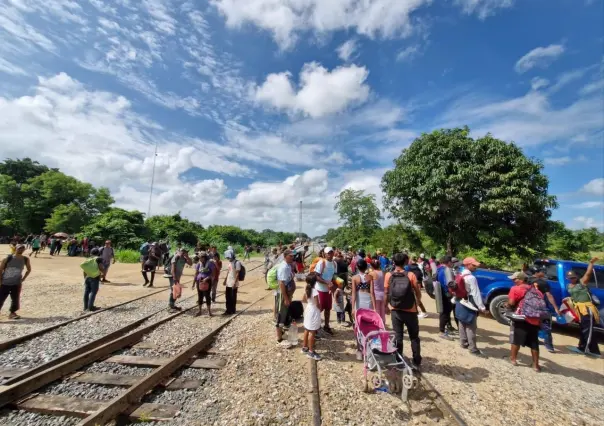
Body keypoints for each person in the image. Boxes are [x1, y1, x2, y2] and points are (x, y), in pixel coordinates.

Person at [384, 253, 422, 369]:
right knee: (414, 337)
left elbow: (386, 292)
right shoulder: (411, 275)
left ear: (393, 262)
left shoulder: (388, 275)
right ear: (405, 262)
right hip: (411, 310)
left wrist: (386, 306)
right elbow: (417, 291)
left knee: (398, 336)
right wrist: (418, 301)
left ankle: (398, 361)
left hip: (396, 310)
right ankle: (416, 362)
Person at [507, 271, 543, 371]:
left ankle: (513, 359)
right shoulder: (537, 291)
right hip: (535, 319)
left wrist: (507, 305)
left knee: (516, 339)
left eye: (515, 279)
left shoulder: (515, 289)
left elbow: (511, 303)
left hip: (521, 318)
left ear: (521, 279)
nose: (513, 281)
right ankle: (535, 365)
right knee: (534, 342)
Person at [567, 257, 600, 356]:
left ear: (577, 277)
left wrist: (591, 263)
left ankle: (585, 349)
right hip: (579, 309)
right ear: (567, 278)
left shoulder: (581, 283)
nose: (572, 279)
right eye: (570, 278)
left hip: (587, 308)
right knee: (584, 328)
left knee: (587, 329)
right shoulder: (569, 286)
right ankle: (593, 350)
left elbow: (588, 274)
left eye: (574, 277)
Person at [455, 257, 487, 357]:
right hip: (469, 304)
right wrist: (482, 307)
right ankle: (473, 348)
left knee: (461, 322)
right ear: (467, 265)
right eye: (474, 265)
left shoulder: (459, 274)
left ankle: (463, 343)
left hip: (460, 302)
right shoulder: (471, 278)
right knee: (471, 327)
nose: (476, 267)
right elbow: (476, 294)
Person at [528, 266, 561, 353]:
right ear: (537, 272)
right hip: (542, 308)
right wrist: (556, 308)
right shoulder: (543, 283)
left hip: (529, 307)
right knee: (546, 327)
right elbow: (549, 296)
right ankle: (549, 346)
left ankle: (533, 341)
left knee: (532, 324)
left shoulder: (527, 280)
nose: (544, 273)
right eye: (542, 271)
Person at [0, 244, 32, 319]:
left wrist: (23, 278)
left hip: (16, 283)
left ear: (24, 250)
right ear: (15, 249)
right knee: (1, 298)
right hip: (5, 283)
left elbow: (29, 269)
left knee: (15, 299)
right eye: (19, 248)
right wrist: (1, 280)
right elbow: (0, 269)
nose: (20, 250)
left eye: (22, 248)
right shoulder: (7, 258)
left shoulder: (25, 259)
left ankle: (12, 313)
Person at [312, 247, 338, 335]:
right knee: (319, 309)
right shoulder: (321, 263)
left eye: (331, 253)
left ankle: (326, 326)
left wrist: (335, 284)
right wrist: (326, 282)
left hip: (328, 290)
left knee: (328, 308)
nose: (330, 255)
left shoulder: (334, 263)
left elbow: (334, 276)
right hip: (320, 289)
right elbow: (316, 276)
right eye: (328, 253)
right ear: (324, 254)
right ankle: (314, 328)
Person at [275, 250, 296, 343]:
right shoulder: (283, 267)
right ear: (285, 256)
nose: (292, 257)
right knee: (280, 314)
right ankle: (279, 338)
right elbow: (281, 283)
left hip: (287, 294)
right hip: (283, 295)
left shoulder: (288, 265)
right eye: (290, 256)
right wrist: (286, 298)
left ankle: (282, 332)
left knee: (284, 313)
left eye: (293, 256)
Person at [437, 256, 458, 340]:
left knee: (445, 312)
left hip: (440, 293)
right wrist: (453, 292)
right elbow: (450, 284)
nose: (452, 264)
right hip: (446, 294)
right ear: (449, 262)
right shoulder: (447, 270)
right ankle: (441, 332)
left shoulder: (439, 269)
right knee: (445, 313)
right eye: (451, 262)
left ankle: (446, 328)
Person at [302, 272, 322, 360]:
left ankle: (304, 347)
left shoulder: (307, 289)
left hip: (308, 309)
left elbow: (303, 299)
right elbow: (317, 304)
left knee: (307, 329)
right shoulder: (315, 291)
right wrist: (320, 308)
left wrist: (310, 303)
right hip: (314, 311)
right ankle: (311, 351)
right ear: (315, 282)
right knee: (312, 331)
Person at [82, 247, 105, 311]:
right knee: (93, 292)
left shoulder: (88, 259)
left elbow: (84, 270)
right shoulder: (98, 259)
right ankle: (91, 307)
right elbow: (101, 267)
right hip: (95, 277)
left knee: (86, 292)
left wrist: (85, 278)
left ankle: (85, 307)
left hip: (87, 277)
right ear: (98, 253)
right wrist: (103, 273)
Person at [193, 252, 215, 317]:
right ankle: (200, 311)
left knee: (207, 295)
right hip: (199, 281)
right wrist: (193, 283)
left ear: (204, 258)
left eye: (201, 258)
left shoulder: (210, 263)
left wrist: (207, 278)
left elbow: (213, 274)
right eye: (199, 258)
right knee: (200, 295)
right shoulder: (198, 264)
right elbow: (196, 273)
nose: (200, 259)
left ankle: (209, 311)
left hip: (207, 281)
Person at [223, 250, 241, 315]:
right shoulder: (230, 262)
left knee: (233, 297)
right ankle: (228, 310)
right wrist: (225, 280)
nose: (228, 259)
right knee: (227, 297)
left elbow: (237, 273)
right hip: (228, 283)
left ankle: (233, 310)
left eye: (228, 257)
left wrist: (234, 283)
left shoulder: (237, 262)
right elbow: (228, 271)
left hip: (233, 283)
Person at [369, 259, 386, 323]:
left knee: (377, 313)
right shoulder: (383, 272)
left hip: (375, 295)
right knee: (382, 313)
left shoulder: (372, 273)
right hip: (383, 294)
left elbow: (369, 285)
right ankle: (383, 326)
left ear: (371, 266)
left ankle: (378, 327)